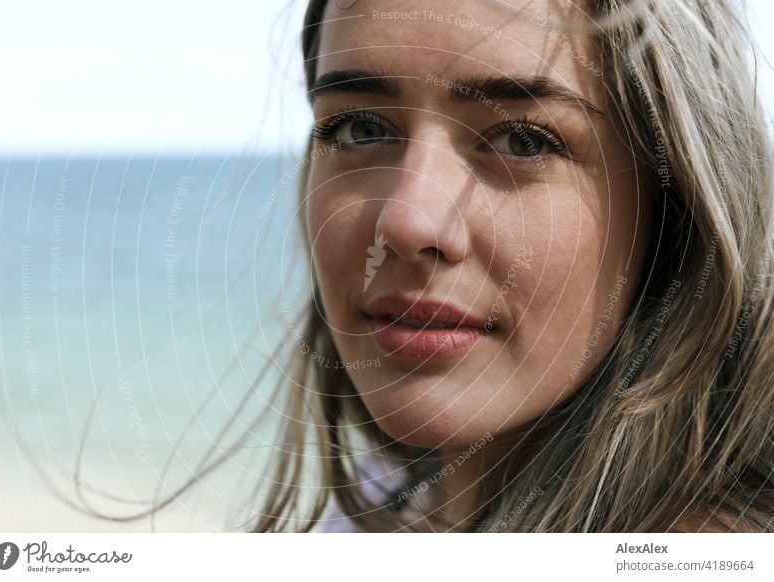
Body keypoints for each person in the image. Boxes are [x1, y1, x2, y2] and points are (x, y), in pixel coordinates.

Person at [247, 0, 774, 533]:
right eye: (360, 129)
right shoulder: (380, 497)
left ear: (675, 207)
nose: (407, 224)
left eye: (522, 140)